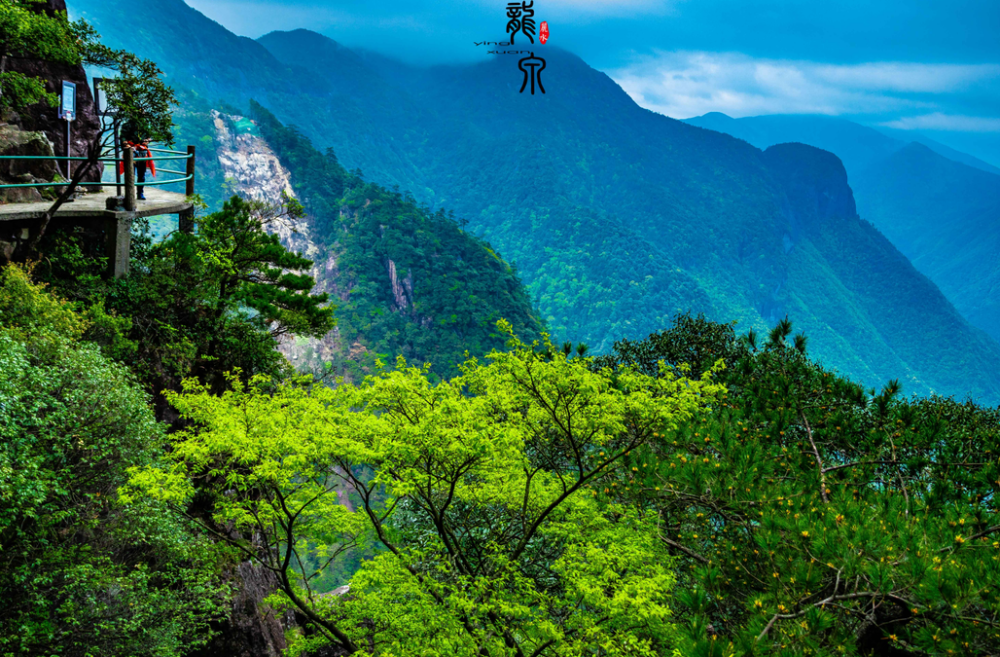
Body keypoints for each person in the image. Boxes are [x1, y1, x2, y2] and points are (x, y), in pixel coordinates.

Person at [118, 121, 156, 200]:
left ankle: (140, 193)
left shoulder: (145, 124)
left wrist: (146, 141)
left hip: (142, 152)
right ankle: (129, 194)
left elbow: (149, 136)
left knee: (141, 174)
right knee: (130, 173)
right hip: (130, 152)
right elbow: (123, 137)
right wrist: (128, 146)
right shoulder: (127, 125)